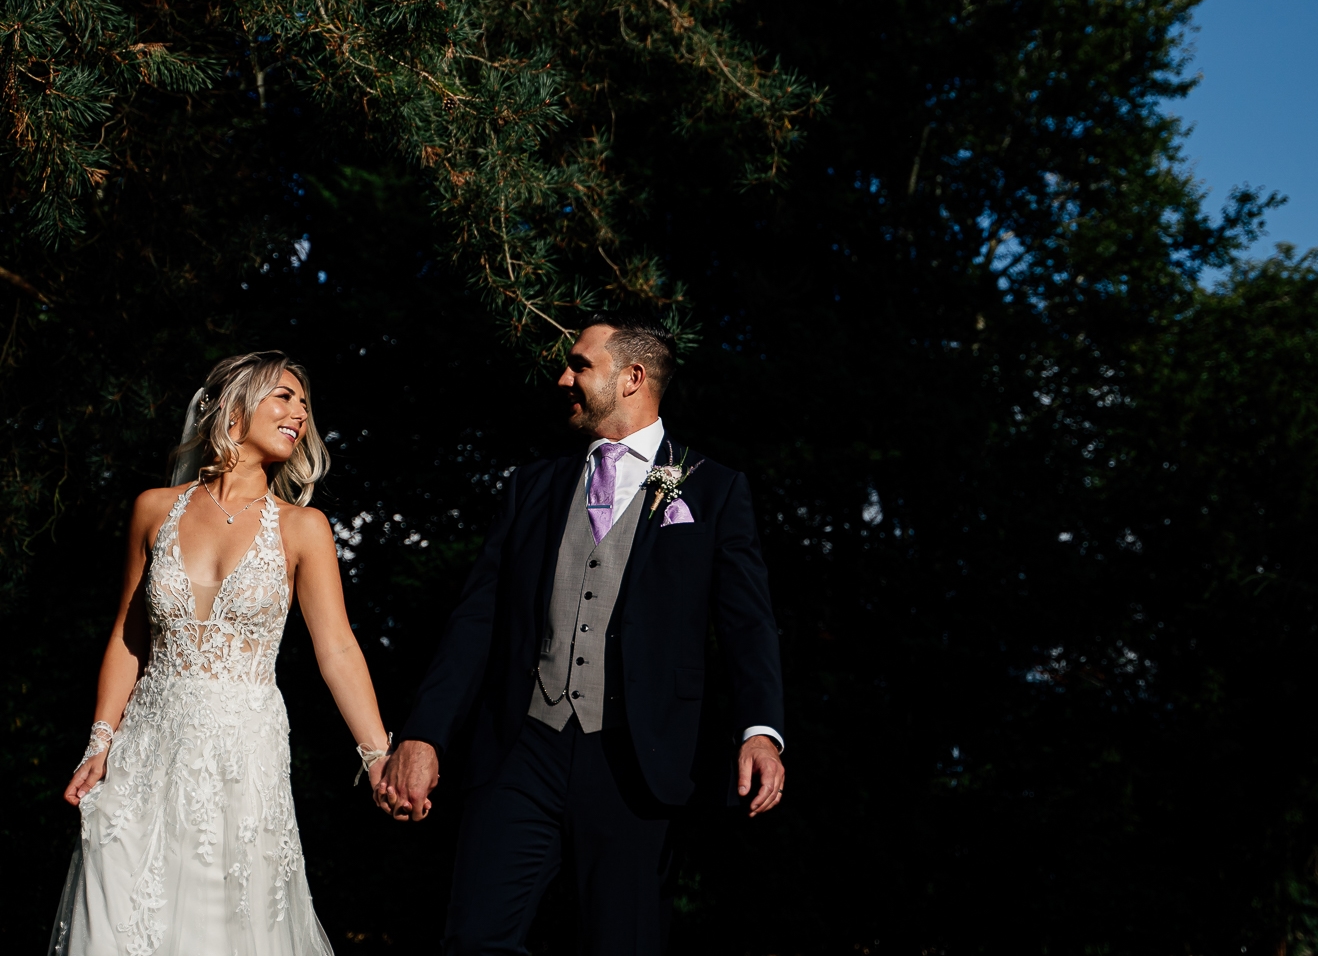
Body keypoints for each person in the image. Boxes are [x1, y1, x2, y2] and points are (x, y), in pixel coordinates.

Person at [377, 312, 786, 955]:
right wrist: (426, 733)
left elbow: (746, 623)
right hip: (521, 746)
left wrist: (760, 730)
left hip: (636, 756)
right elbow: (476, 618)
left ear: (632, 377)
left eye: (580, 364)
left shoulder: (715, 489)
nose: (563, 376)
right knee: (475, 937)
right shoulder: (532, 486)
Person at [50, 351, 392, 956]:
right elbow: (130, 638)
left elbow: (337, 647)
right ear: (235, 407)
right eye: (284, 397)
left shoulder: (302, 527)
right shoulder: (153, 509)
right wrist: (98, 744)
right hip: (144, 753)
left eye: (305, 406)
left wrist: (377, 756)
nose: (300, 415)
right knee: (119, 926)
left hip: (243, 759)